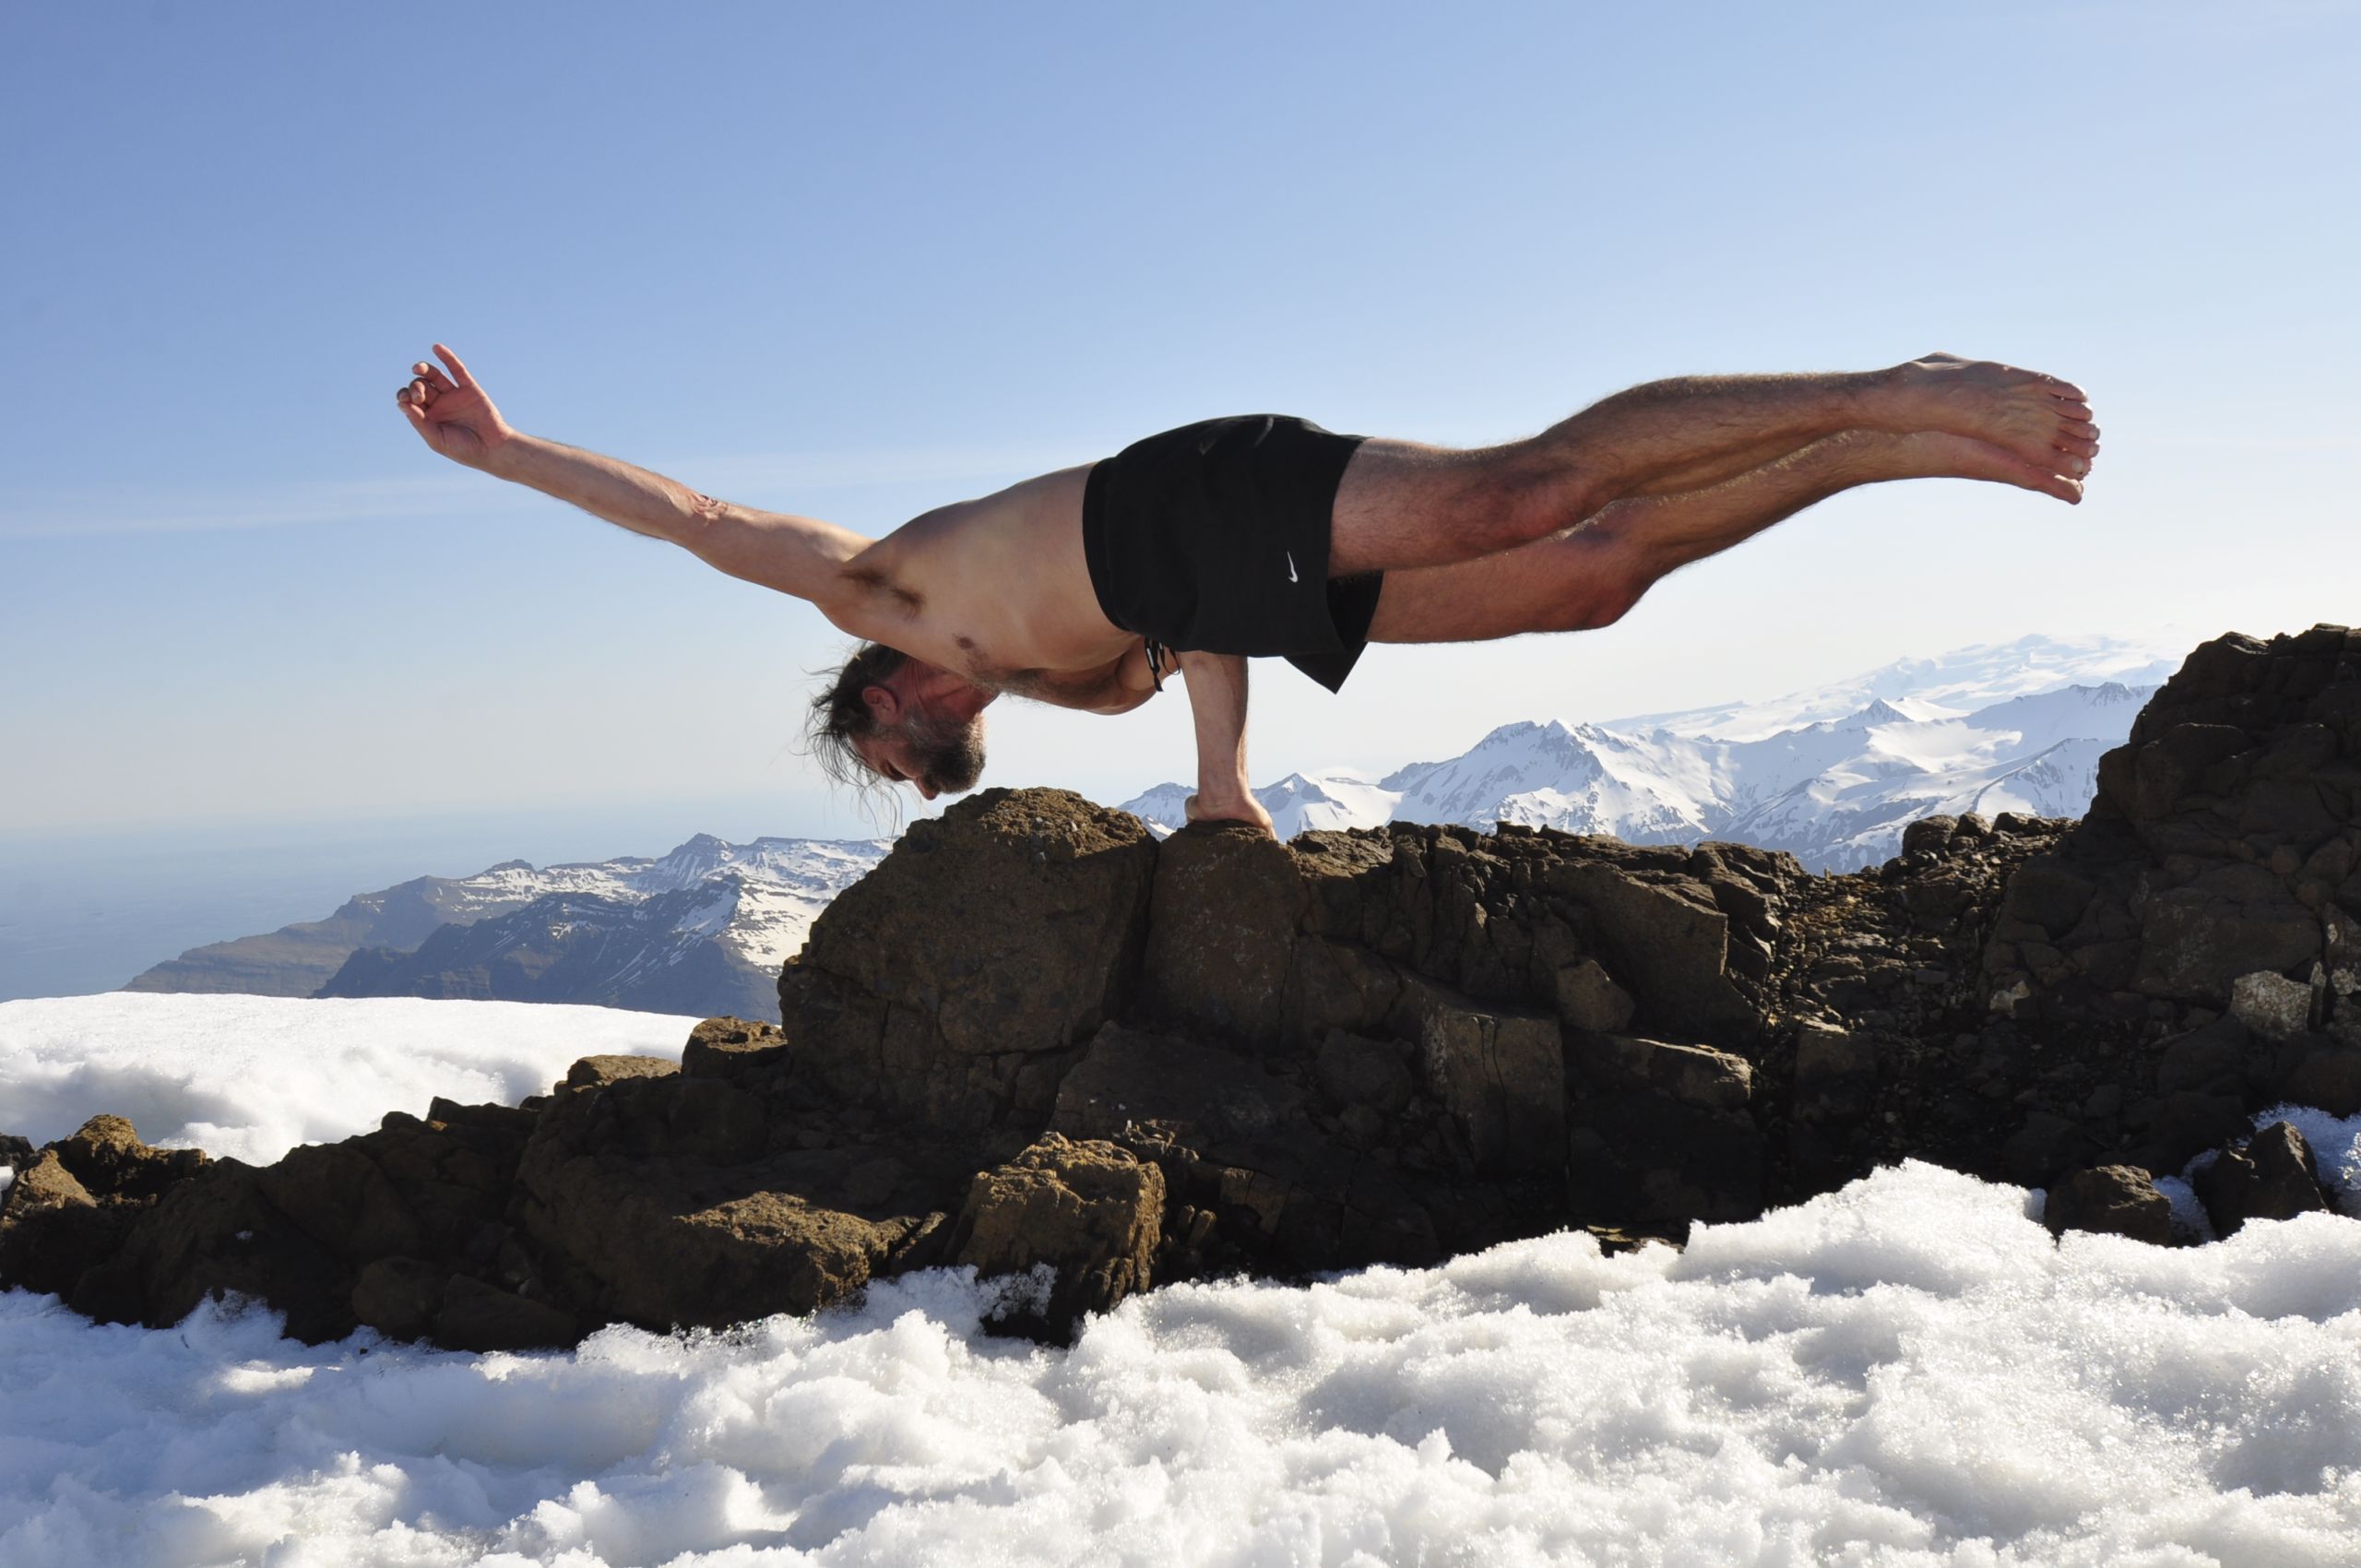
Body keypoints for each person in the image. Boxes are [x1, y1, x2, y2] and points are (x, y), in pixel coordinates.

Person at [397, 346, 2096, 835]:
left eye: (898, 762)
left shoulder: (877, 594)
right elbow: (1198, 633)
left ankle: (1890, 391)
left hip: (1194, 491)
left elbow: (688, 515)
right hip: (1230, 583)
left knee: (1534, 488)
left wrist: (507, 450)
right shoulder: (1067, 690)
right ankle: (1870, 458)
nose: (926, 770)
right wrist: (1217, 785)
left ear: (884, 703)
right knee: (1589, 585)